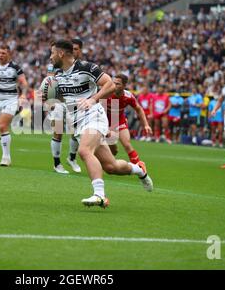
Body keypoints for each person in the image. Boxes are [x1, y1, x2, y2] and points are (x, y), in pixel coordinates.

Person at [49, 40, 153, 209]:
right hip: (77, 123)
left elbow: (110, 85)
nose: (50, 57)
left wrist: (93, 99)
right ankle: (140, 170)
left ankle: (100, 195)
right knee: (111, 166)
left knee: (84, 151)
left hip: (93, 116)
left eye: (52, 53)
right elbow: (63, 99)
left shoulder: (87, 68)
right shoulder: (58, 74)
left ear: (61, 53)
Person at [0, 44, 28, 166]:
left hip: (10, 99)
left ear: (9, 54)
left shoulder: (15, 67)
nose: (0, 55)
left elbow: (24, 82)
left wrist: (23, 95)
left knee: (3, 126)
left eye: (3, 53)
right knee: (1, 129)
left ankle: (6, 158)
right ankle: (5, 150)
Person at [48, 38, 83, 174]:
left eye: (76, 49)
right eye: (72, 49)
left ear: (80, 50)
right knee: (58, 131)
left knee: (76, 132)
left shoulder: (82, 66)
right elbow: (50, 82)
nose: (74, 51)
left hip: (75, 103)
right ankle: (57, 164)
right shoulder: (56, 65)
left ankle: (72, 158)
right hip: (59, 102)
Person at [106, 74, 152, 163]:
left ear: (124, 85)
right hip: (105, 122)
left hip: (119, 121)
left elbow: (139, 109)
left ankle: (140, 170)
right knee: (113, 151)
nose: (114, 85)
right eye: (113, 83)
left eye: (117, 84)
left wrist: (146, 125)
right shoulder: (106, 93)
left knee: (127, 145)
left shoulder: (128, 96)